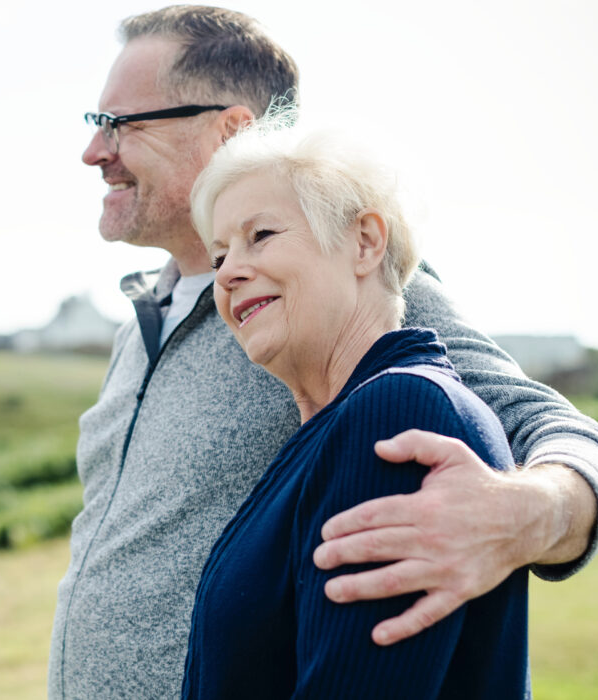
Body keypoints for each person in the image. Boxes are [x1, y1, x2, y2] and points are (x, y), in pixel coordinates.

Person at [49, 6, 598, 698]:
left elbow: (559, 433)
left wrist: (529, 514)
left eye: (121, 124)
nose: (96, 152)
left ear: (232, 130)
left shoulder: (339, 289)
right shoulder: (142, 320)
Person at [183, 120, 527, 698]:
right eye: (219, 257)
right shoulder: (329, 431)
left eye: (260, 234)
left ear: (365, 242)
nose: (229, 274)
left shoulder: (397, 413)